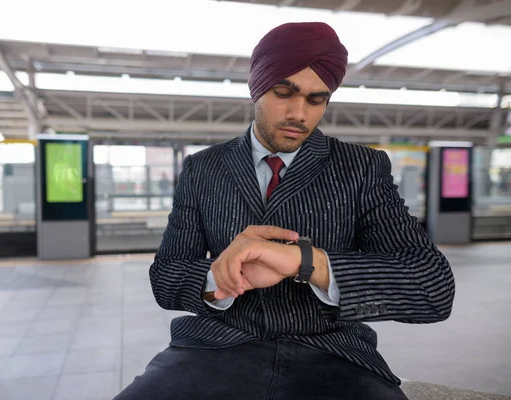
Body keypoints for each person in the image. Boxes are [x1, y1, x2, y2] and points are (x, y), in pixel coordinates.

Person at [114, 22, 455, 400]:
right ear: (257, 87)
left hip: (334, 353)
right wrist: (220, 278)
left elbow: (433, 287)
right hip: (216, 346)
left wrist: (304, 262)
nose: (299, 114)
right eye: (284, 93)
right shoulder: (203, 169)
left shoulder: (361, 167)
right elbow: (166, 277)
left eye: (316, 100)